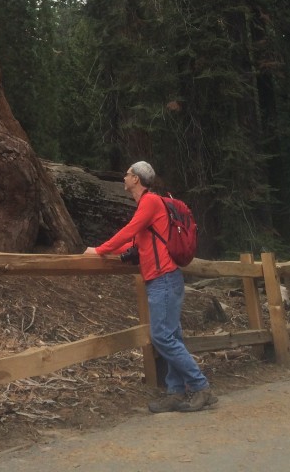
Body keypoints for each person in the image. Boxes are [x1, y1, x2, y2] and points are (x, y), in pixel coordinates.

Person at [83, 160, 217, 413]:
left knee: (162, 336)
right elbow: (133, 243)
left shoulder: (150, 202)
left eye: (127, 174)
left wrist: (99, 249)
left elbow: (129, 230)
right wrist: (105, 254)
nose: (123, 177)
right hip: (162, 279)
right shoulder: (146, 207)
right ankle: (176, 392)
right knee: (171, 336)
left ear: (136, 179)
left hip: (164, 278)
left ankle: (201, 386)